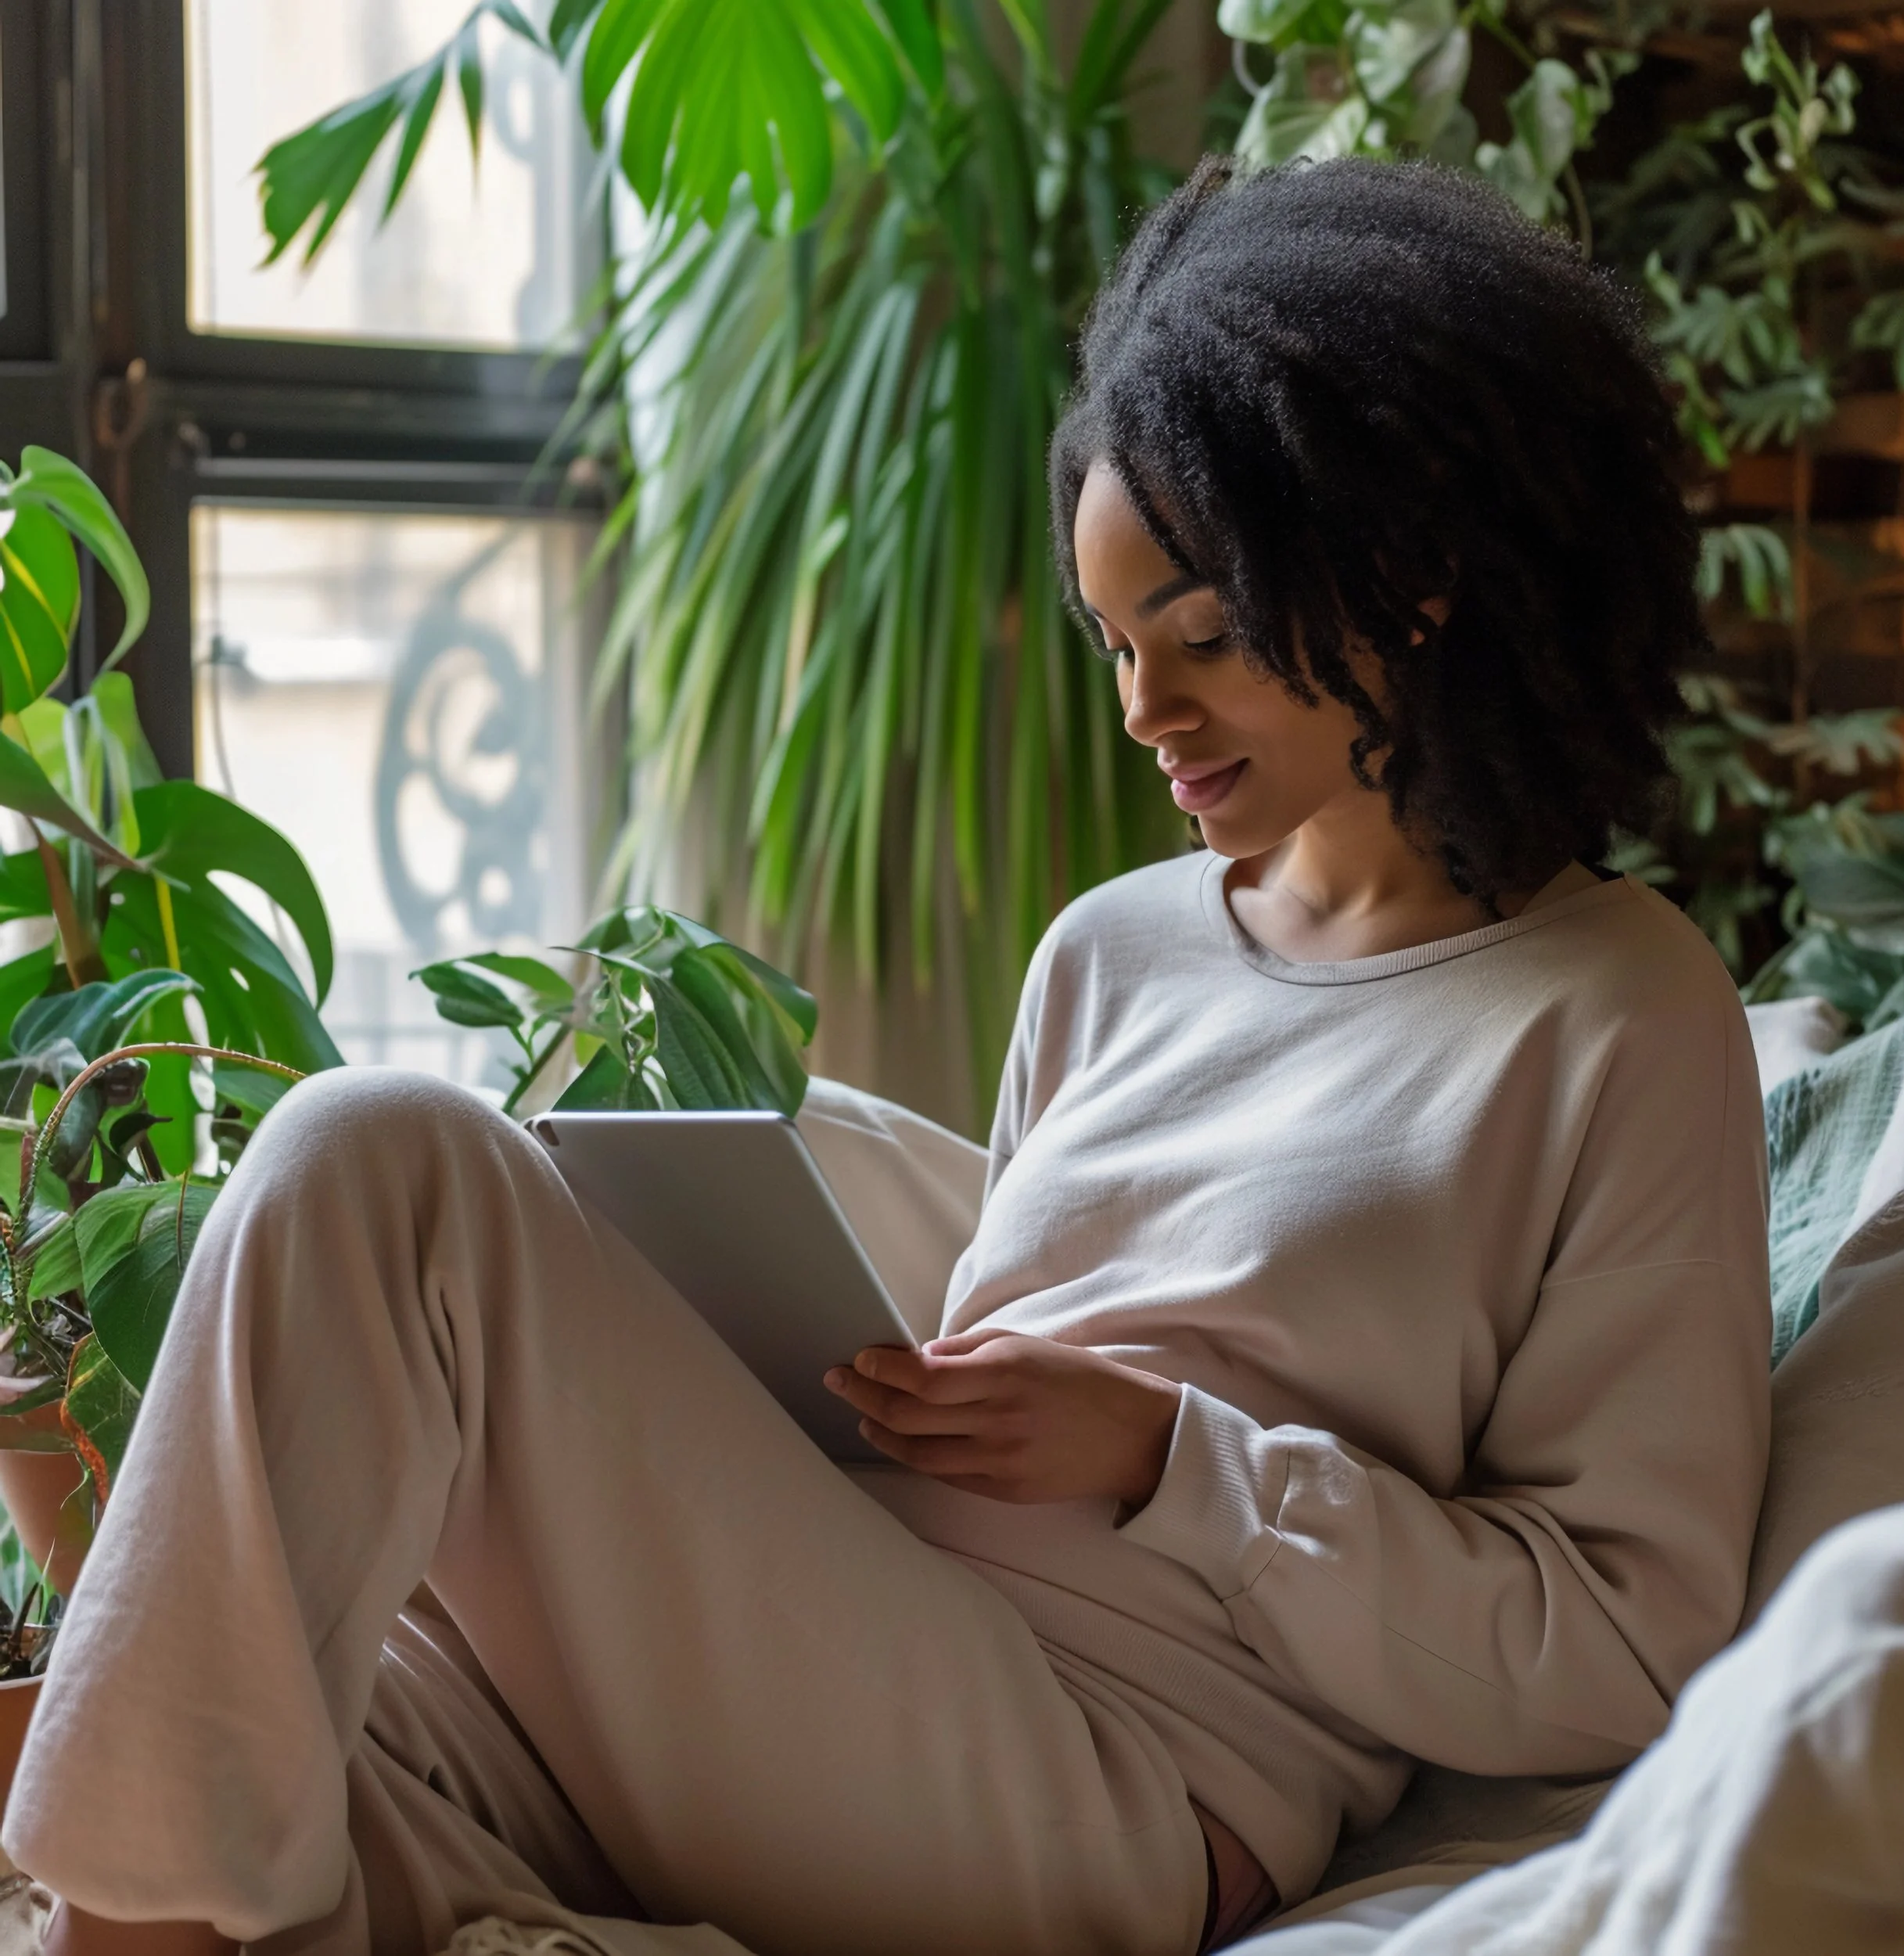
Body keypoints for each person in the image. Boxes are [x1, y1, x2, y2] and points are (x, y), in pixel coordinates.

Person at [5, 156, 1770, 1956]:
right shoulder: (1112, 946)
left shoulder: (1616, 1010)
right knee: (252, 1739)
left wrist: (1171, 1458)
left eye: (1204, 638)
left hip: (1101, 1772)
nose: (1143, 711)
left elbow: (1619, 1648)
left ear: (1414, 585)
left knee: (378, 1157)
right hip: (825, 1661)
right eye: (1110, 641)